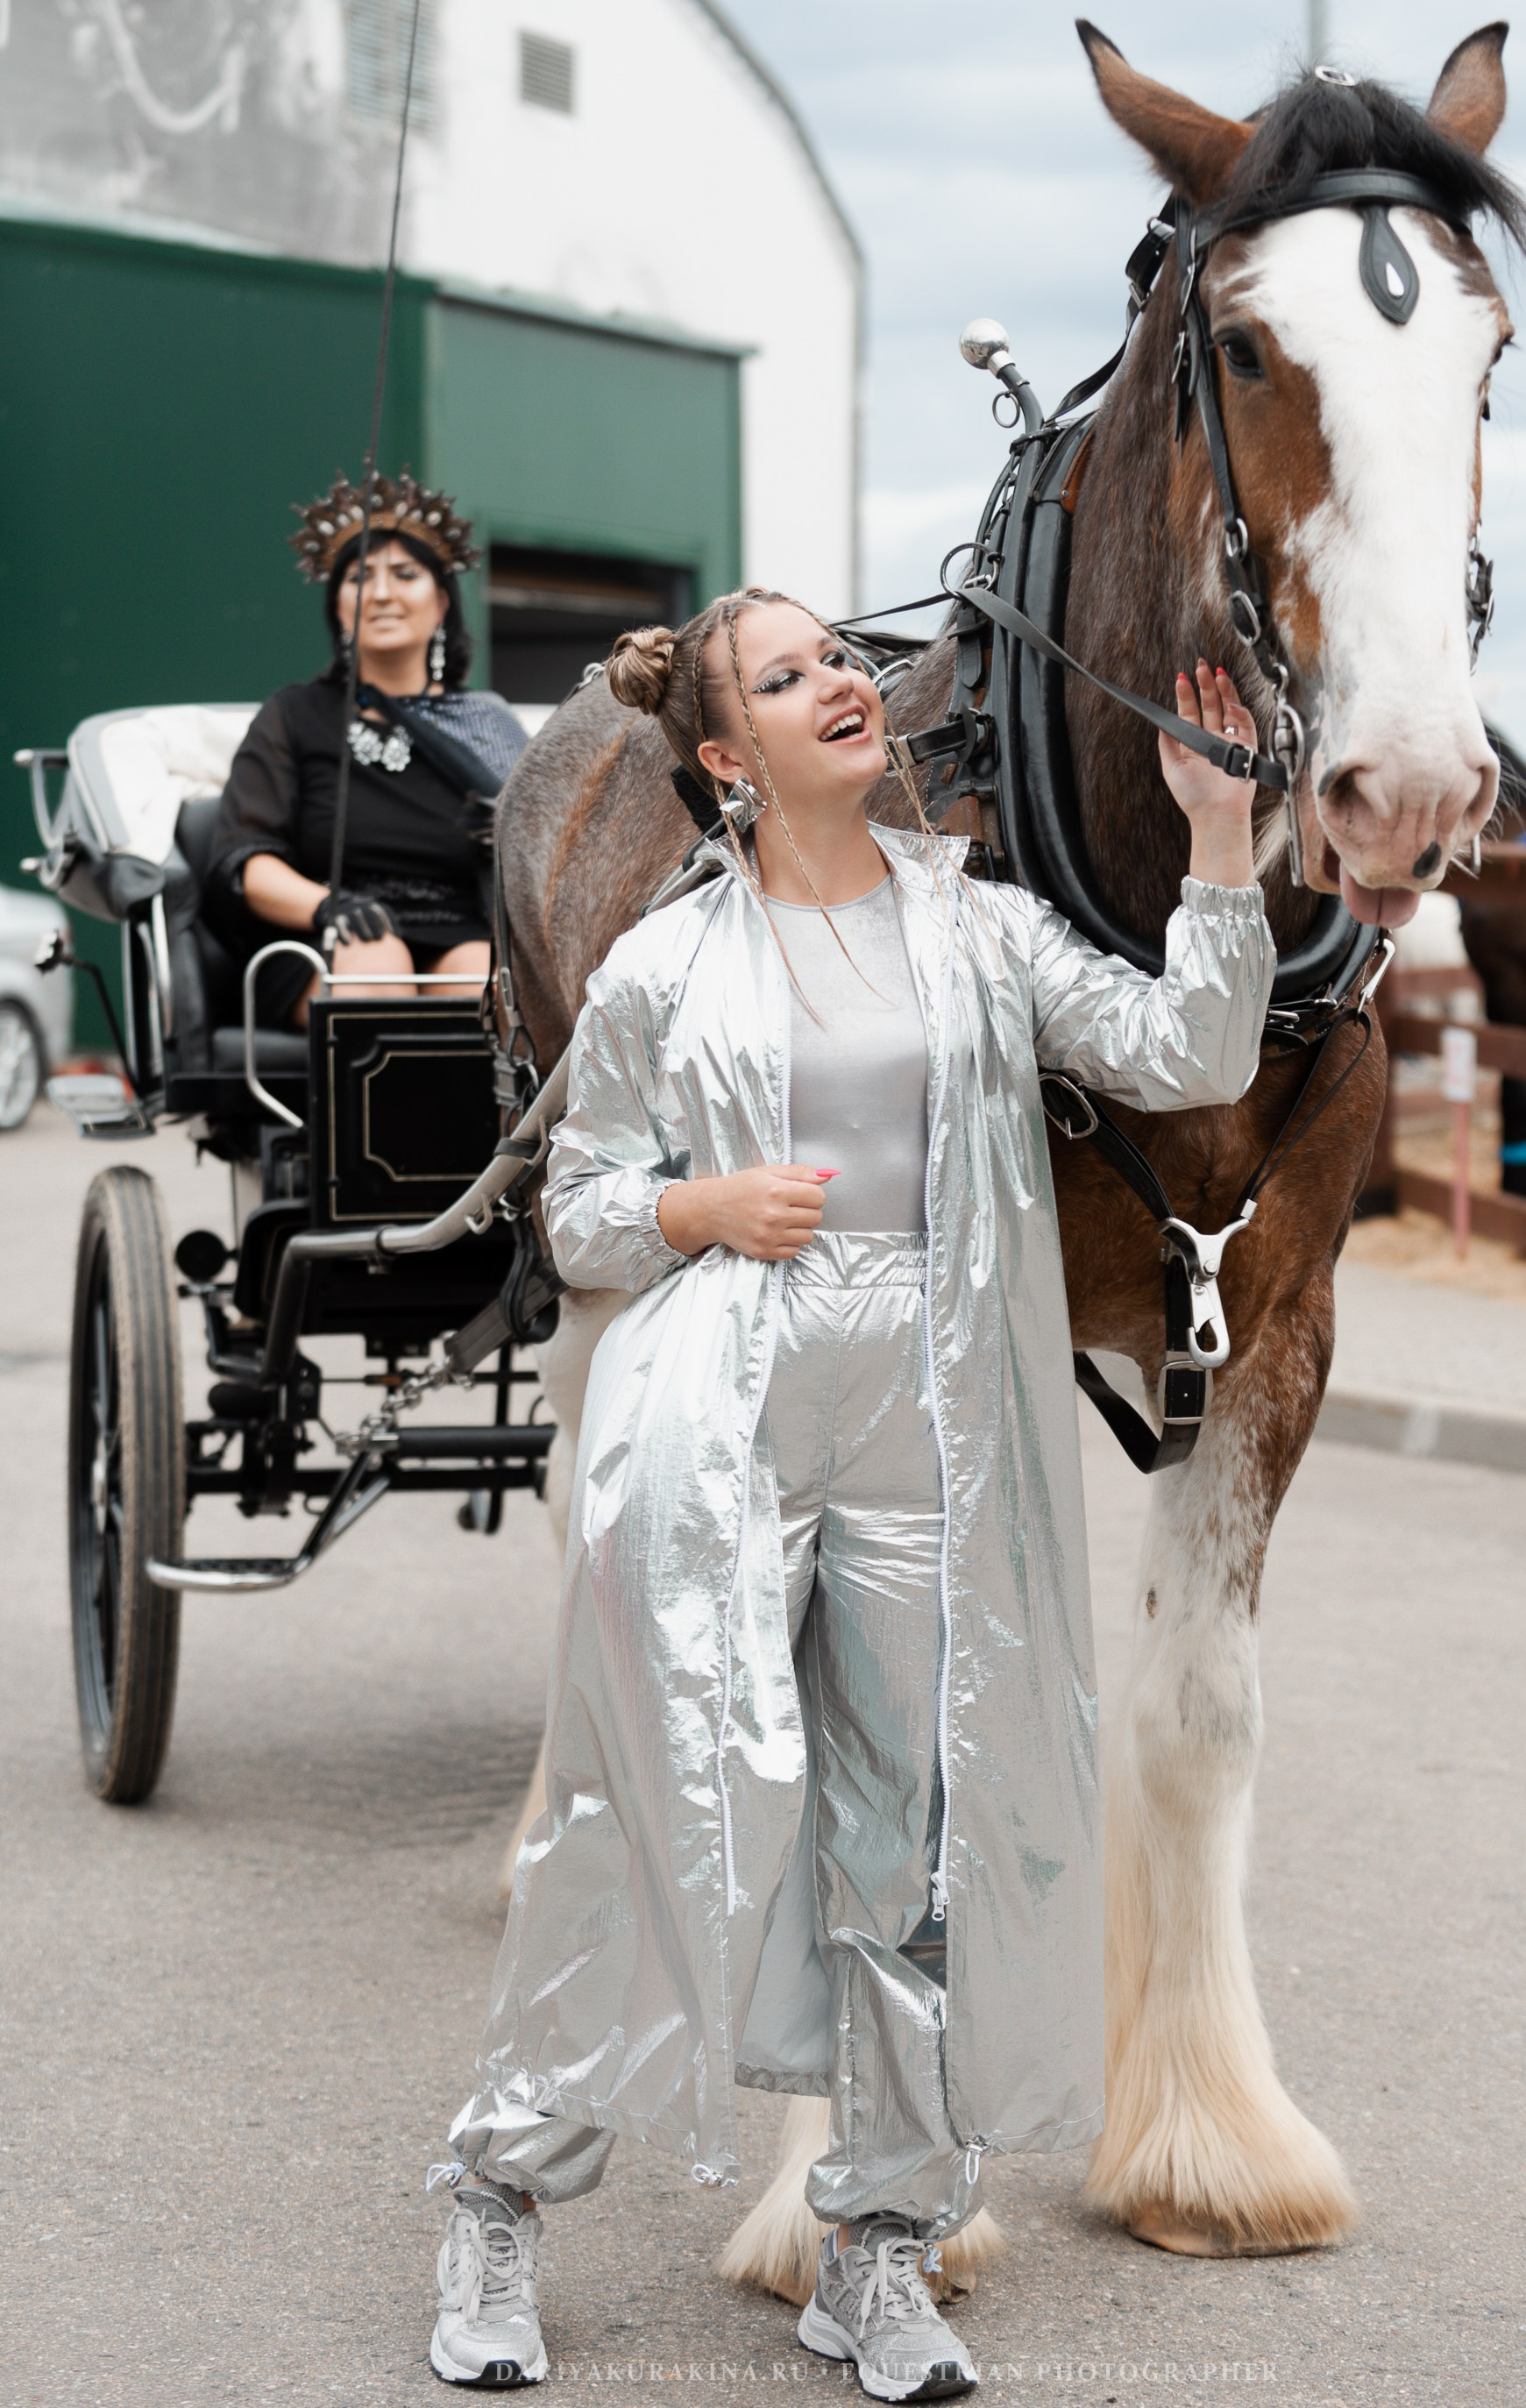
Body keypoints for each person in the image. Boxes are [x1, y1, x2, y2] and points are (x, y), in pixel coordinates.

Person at [426, 586, 1275, 2395]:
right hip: (719, 1396)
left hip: (932, 1410)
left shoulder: (981, 933)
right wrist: (694, 1211)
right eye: (792, 672)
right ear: (727, 756)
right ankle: (497, 2199)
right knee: (643, 1818)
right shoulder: (663, 968)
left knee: (910, 1840)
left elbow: (1189, 1054)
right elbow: (575, 1210)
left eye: (842, 657)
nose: (845, 682)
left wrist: (1217, 852)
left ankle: (874, 2247)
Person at [204, 472, 528, 1026]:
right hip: (330, 929)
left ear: (442, 602)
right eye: (360, 578)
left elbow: (542, 850)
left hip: (461, 926)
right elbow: (247, 858)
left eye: (405, 574)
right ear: (338, 606)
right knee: (378, 963)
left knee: (485, 989)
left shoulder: (486, 723)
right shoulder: (294, 715)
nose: (381, 594)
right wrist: (327, 906)